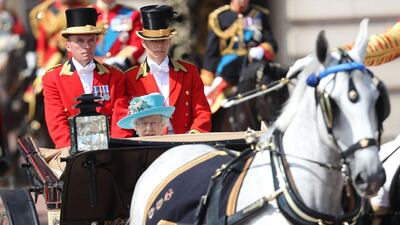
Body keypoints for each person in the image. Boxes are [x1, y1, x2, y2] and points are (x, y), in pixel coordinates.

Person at [42, 7, 128, 149]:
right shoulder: (53, 79)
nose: (87, 46)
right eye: (80, 41)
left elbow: (121, 116)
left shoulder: (115, 76)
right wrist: (75, 153)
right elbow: (56, 123)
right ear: (68, 46)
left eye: (91, 40)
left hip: (111, 151)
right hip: (72, 154)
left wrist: (115, 149)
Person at [124, 5, 211, 135]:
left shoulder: (189, 71)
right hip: (149, 143)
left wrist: (194, 134)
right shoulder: (130, 77)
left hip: (184, 142)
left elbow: (202, 111)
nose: (159, 45)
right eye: (154, 41)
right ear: (143, 43)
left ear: (170, 41)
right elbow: (124, 118)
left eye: (163, 40)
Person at [200, 0, 278, 111]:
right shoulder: (219, 17)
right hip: (228, 69)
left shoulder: (259, 15)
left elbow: (272, 43)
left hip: (253, 65)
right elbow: (211, 53)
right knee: (210, 107)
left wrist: (262, 49)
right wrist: (207, 82)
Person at [94, 0, 144, 70]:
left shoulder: (131, 14)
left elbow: (137, 44)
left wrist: (120, 61)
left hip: (121, 68)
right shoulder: (84, 14)